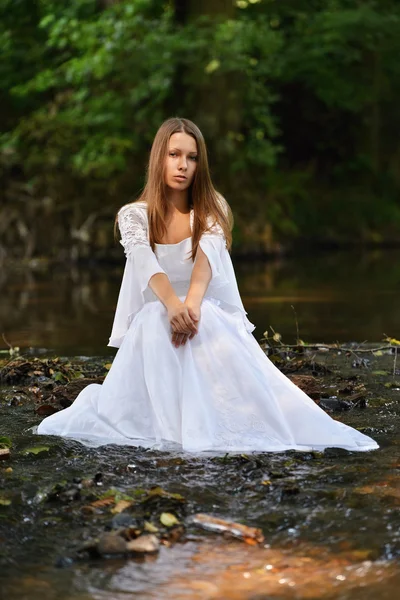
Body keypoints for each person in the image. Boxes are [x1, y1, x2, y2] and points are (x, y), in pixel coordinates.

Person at [36, 117, 379, 453]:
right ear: (159, 158)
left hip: (200, 310)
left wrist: (191, 308)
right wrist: (173, 306)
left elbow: (206, 263)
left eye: (192, 157)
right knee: (154, 319)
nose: (183, 165)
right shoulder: (134, 215)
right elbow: (144, 262)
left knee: (209, 321)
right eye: (174, 154)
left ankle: (218, 417)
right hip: (161, 309)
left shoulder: (212, 209)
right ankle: (171, 427)